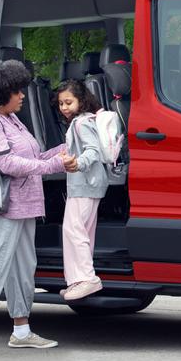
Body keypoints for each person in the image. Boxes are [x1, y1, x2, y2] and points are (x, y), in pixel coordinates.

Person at [0, 58, 77, 358]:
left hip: (21, 207)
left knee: (22, 269)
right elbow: (7, 163)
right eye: (17, 91)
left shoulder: (10, 118)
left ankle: (21, 330)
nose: (22, 95)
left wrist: (61, 149)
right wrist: (54, 164)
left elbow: (32, 156)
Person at [56, 80, 123, 301]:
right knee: (82, 231)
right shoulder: (83, 120)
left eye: (69, 102)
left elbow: (92, 150)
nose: (64, 107)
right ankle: (78, 280)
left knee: (73, 230)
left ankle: (86, 278)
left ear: (81, 101)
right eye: (61, 103)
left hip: (84, 183)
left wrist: (78, 163)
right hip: (89, 184)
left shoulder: (81, 123)